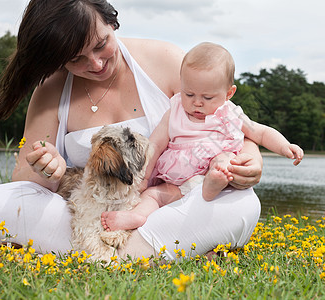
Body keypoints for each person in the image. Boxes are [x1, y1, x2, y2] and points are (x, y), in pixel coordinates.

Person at [0, 0, 263, 261]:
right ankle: (149, 254)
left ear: (112, 22)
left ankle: (106, 254)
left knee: (242, 206)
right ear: (58, 60)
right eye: (76, 59)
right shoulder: (50, 89)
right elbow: (23, 182)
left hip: (161, 209)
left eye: (101, 44)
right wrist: (49, 169)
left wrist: (251, 158)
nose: (96, 64)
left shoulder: (165, 59)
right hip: (83, 216)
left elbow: (233, 123)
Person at [101, 42, 304, 232]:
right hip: (178, 181)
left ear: (229, 93)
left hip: (212, 172)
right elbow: (155, 144)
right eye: (189, 94)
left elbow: (260, 132)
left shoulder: (231, 113)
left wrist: (285, 146)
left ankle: (213, 183)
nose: (197, 103)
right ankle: (137, 216)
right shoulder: (175, 110)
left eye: (207, 97)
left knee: (224, 158)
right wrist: (144, 178)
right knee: (153, 196)